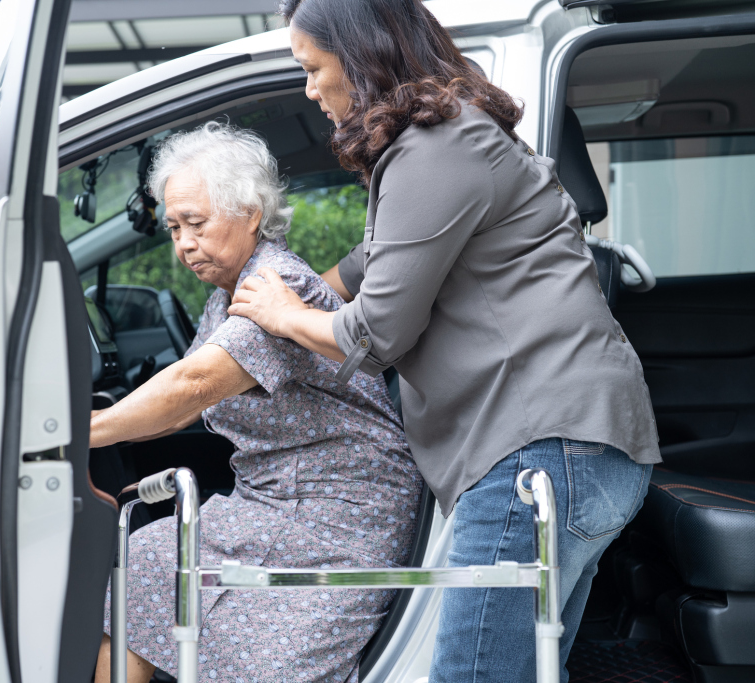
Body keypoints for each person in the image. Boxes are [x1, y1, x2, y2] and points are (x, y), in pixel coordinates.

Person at [228, 1, 661, 681]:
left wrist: (284, 314)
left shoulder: (434, 148)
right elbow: (372, 263)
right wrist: (293, 289)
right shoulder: (452, 137)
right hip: (575, 448)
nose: (309, 89)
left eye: (312, 68)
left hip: (539, 454)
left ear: (362, 54)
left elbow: (377, 330)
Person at [91, 121, 422, 683]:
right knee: (148, 561)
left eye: (196, 223)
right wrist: (106, 430)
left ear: (250, 212)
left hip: (339, 509)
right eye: (173, 228)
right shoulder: (227, 296)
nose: (183, 244)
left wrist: (75, 432)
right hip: (276, 501)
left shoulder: (272, 285)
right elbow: (186, 403)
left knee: (160, 567)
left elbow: (193, 387)